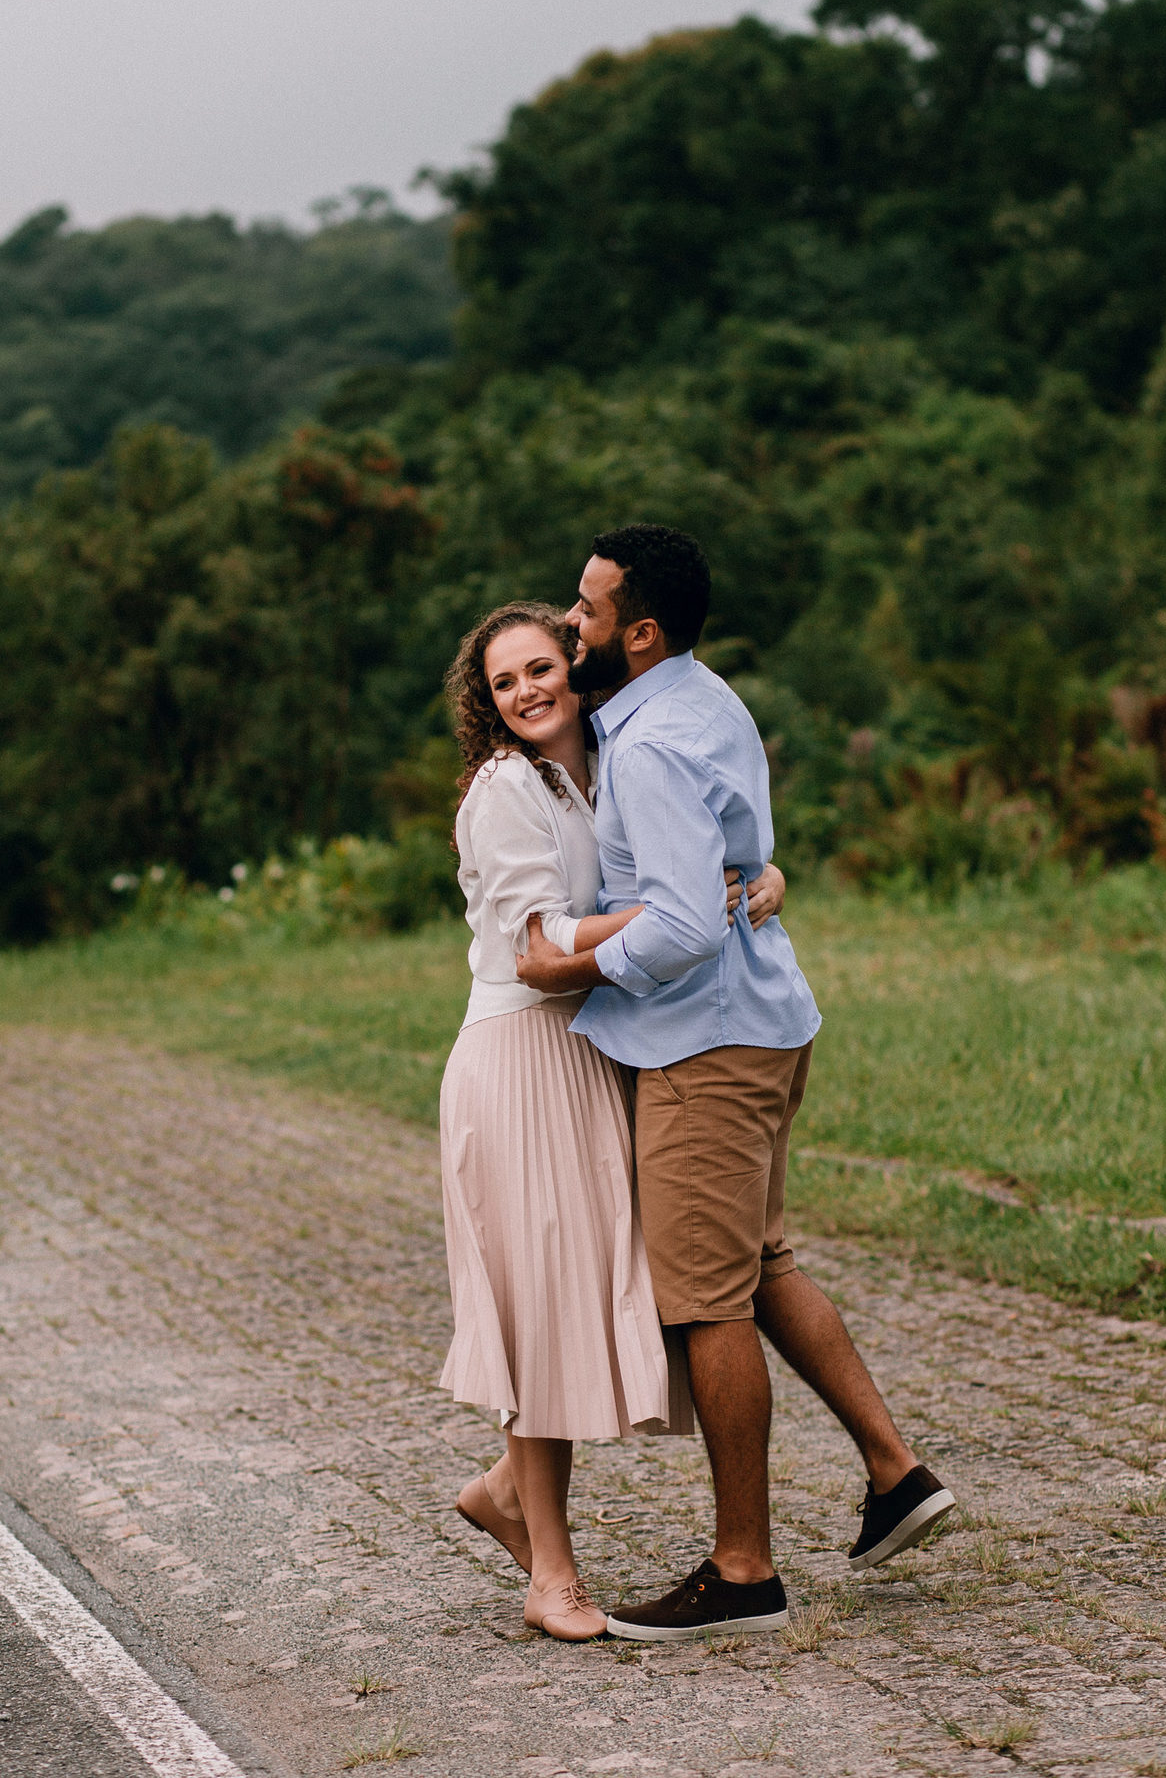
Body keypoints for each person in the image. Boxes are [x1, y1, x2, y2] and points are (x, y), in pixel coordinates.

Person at [516, 525, 956, 1642]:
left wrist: (567, 958)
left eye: (589, 611)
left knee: (707, 1301)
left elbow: (674, 928)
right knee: (759, 1265)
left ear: (642, 632)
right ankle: (897, 1473)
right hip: (763, 1023)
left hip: (704, 1047)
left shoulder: (651, 744)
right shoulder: (704, 700)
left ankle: (744, 1569)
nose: (572, 625)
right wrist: (759, 876)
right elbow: (730, 859)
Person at [438, 600, 786, 1642]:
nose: (527, 691)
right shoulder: (507, 788)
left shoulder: (615, 760)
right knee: (539, 1310)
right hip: (518, 1057)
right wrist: (682, 907)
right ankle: (549, 1570)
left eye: (541, 667)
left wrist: (755, 876)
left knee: (589, 1295)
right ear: (487, 703)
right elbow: (538, 941)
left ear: (572, 666)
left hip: (594, 1052)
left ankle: (509, 1489)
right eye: (505, 683)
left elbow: (708, 850)